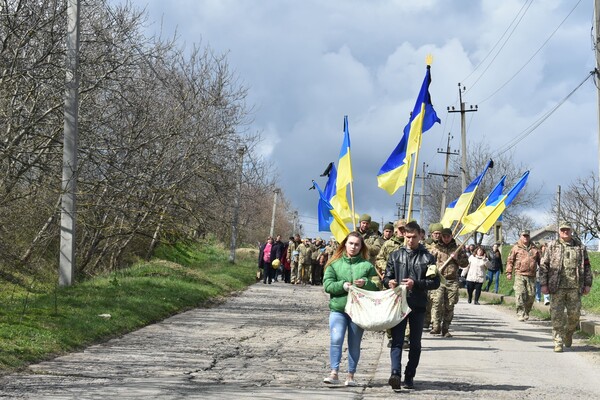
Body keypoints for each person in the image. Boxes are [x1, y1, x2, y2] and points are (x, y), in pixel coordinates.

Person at [383, 221, 440, 391]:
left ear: (420, 236)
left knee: (415, 344)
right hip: (399, 304)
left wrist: (416, 283)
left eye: (414, 237)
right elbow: (386, 277)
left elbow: (435, 282)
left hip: (418, 305)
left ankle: (409, 376)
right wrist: (389, 282)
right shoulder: (395, 255)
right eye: (408, 237)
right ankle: (395, 374)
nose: (410, 240)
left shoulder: (428, 257)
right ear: (403, 236)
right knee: (397, 341)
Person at [322, 231, 378, 386]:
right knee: (336, 338)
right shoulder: (334, 264)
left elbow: (377, 286)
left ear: (361, 247)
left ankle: (351, 376)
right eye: (351, 243)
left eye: (357, 244)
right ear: (345, 244)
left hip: (358, 312)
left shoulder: (367, 266)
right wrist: (342, 285)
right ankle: (334, 373)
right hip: (338, 310)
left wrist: (365, 283)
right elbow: (327, 285)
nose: (353, 247)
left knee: (354, 343)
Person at [540, 222, 593, 352]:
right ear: (559, 231)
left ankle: (568, 333)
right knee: (556, 315)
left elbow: (587, 266)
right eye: (563, 229)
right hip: (556, 287)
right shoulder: (552, 246)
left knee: (574, 315)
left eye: (567, 230)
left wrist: (587, 284)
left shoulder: (580, 247)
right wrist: (543, 284)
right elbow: (543, 266)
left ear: (571, 231)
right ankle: (558, 341)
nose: (565, 232)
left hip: (575, 287)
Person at [428, 227, 468, 337]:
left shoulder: (458, 248)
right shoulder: (435, 248)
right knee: (437, 302)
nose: (446, 239)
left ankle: (445, 328)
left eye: (448, 236)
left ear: (451, 236)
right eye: (444, 236)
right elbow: (428, 262)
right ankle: (436, 326)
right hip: (438, 279)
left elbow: (465, 263)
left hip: (452, 280)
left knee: (450, 304)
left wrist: (456, 259)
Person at [506, 229, 541, 321]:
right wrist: (509, 272)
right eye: (523, 236)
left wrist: (544, 272)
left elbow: (541, 261)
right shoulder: (515, 247)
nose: (525, 238)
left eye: (527, 236)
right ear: (520, 237)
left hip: (532, 275)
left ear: (529, 237)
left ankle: (526, 312)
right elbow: (510, 260)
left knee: (531, 295)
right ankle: (520, 313)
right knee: (520, 294)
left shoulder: (535, 248)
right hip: (519, 274)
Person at [535, 241, 550, 305]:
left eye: (546, 247)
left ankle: (546, 299)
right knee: (538, 287)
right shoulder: (537, 254)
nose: (545, 248)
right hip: (538, 272)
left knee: (546, 285)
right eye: (544, 247)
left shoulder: (548, 254)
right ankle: (538, 298)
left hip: (546, 273)